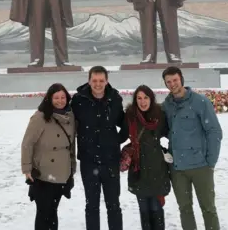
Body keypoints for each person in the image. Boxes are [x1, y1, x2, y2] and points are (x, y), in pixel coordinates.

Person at [161, 66, 223, 230]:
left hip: (201, 166)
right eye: (169, 82)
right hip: (178, 169)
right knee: (185, 210)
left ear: (181, 79)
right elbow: (162, 131)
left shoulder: (200, 102)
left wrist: (210, 162)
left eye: (175, 80)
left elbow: (214, 131)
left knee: (208, 209)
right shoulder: (166, 106)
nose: (172, 84)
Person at [71, 65, 128, 230]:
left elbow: (123, 124)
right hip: (89, 161)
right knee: (91, 205)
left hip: (110, 161)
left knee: (113, 205)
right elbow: (68, 122)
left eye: (101, 80)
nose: (98, 84)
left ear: (106, 81)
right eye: (94, 80)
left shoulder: (114, 99)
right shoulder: (78, 100)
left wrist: (115, 141)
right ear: (89, 81)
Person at [21, 83, 76, 230]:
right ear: (49, 99)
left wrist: (72, 169)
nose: (60, 100)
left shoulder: (70, 116)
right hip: (43, 174)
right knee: (44, 213)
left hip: (61, 173)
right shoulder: (40, 117)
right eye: (56, 97)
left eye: (63, 97)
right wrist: (27, 170)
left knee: (52, 211)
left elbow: (71, 146)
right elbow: (27, 143)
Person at [123, 85, 171, 230]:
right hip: (138, 168)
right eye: (139, 98)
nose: (142, 102)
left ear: (151, 98)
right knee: (144, 210)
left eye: (146, 98)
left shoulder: (159, 115)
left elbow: (171, 134)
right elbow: (120, 135)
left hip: (157, 167)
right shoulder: (130, 116)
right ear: (135, 99)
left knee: (156, 208)